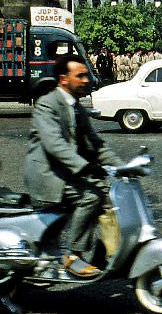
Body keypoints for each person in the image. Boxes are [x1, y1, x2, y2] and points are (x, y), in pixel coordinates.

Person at [24, 54, 124, 278]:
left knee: (106, 195)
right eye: (80, 76)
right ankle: (72, 254)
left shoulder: (77, 107)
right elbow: (55, 145)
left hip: (66, 171)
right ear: (63, 79)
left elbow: (96, 145)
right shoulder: (47, 104)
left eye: (86, 75)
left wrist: (124, 167)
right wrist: (86, 167)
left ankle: (108, 252)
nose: (86, 80)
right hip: (48, 174)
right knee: (91, 196)